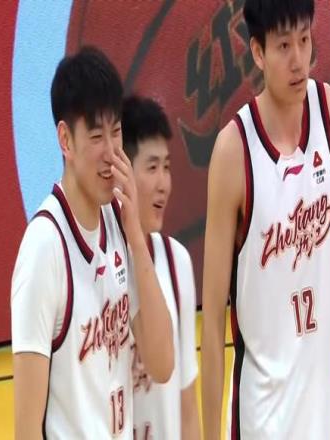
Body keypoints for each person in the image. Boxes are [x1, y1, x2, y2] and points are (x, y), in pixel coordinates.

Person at [11, 46, 173, 439]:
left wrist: (137, 239)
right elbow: (26, 428)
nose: (111, 152)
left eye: (116, 132)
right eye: (97, 136)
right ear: (65, 140)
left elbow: (163, 363)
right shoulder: (44, 247)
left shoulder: (119, 221)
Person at [201, 0, 330, 438]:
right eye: (284, 46)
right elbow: (212, 319)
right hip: (263, 420)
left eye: (304, 40)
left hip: (322, 413)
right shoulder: (233, 151)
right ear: (258, 52)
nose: (299, 59)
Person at [122, 95, 201, 440]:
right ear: (121, 173)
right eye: (152, 168)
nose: (163, 184)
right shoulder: (97, 265)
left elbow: (188, 407)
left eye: (166, 167)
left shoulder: (176, 261)